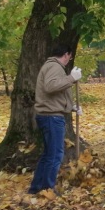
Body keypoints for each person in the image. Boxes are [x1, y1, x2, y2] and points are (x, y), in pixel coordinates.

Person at [28, 44, 82, 195]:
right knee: (55, 155)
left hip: (49, 115)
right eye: (69, 58)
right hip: (51, 117)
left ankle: (37, 188)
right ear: (66, 54)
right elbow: (51, 87)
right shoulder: (55, 66)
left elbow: (55, 95)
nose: (68, 61)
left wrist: (71, 107)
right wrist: (71, 78)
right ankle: (47, 190)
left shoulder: (51, 66)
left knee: (48, 154)